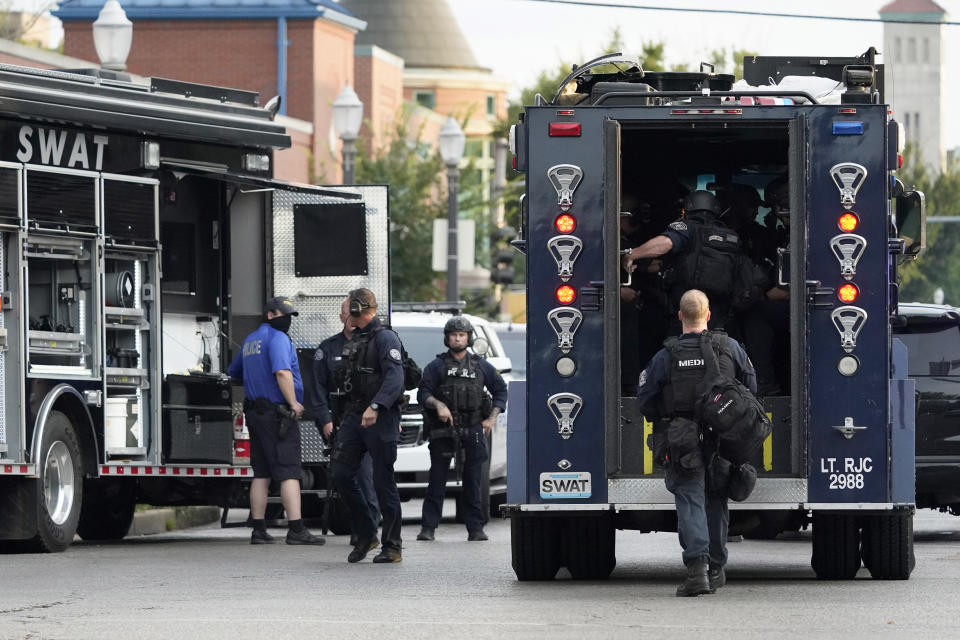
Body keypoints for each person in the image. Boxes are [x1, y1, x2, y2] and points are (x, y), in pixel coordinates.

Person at [635, 289, 757, 596]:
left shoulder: (666, 355)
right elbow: (751, 386)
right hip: (723, 436)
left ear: (680, 316)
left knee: (691, 501)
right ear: (708, 315)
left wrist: (668, 416)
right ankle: (716, 570)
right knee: (716, 500)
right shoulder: (730, 348)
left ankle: (696, 572)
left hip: (682, 437)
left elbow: (645, 400)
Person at [227, 297, 325, 546]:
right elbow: (282, 372)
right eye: (285, 314)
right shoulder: (278, 338)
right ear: (270, 314)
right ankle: (296, 529)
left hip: (255, 413)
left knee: (261, 473)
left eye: (291, 315)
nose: (288, 320)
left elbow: (234, 372)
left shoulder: (250, 340)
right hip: (278, 414)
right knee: (289, 472)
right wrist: (294, 403)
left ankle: (258, 529)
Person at [416, 316, 508, 542]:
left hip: (474, 427)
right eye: (454, 335)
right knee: (437, 480)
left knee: (473, 481)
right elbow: (423, 393)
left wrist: (492, 418)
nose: (457, 339)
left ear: (468, 338)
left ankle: (475, 528)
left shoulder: (481, 366)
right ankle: (428, 528)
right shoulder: (436, 366)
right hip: (443, 429)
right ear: (447, 338)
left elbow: (501, 391)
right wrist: (439, 405)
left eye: (462, 335)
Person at [330, 288, 405, 563]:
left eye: (350, 305)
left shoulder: (386, 338)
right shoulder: (356, 338)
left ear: (360, 308)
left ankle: (392, 545)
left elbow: (395, 378)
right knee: (340, 473)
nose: (347, 310)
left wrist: (376, 406)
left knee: (383, 481)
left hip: (379, 417)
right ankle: (366, 533)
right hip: (353, 416)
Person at [623, 190, 744, 331]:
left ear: (688, 207)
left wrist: (632, 255)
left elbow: (666, 243)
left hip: (686, 308)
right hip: (719, 313)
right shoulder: (730, 235)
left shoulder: (686, 226)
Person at [312, 297, 380, 543]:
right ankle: (360, 527)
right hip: (339, 423)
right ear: (341, 318)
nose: (352, 317)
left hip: (367, 421)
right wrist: (324, 421)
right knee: (344, 476)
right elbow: (317, 390)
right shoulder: (327, 349)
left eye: (356, 312)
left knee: (365, 476)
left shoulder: (374, 344)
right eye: (347, 313)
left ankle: (367, 529)